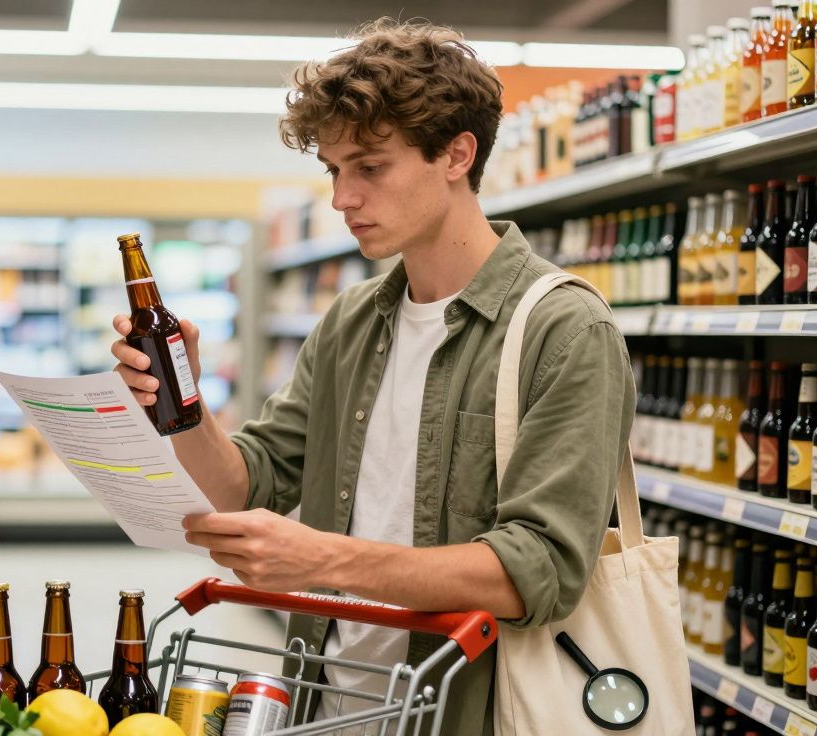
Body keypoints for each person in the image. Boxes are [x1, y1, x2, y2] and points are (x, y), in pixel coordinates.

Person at [110, 18, 634, 736]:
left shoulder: (565, 331)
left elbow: (538, 570)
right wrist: (183, 401)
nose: (342, 199)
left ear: (456, 155)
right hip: (329, 705)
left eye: (370, 167)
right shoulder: (353, 320)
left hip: (462, 711)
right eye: (333, 171)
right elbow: (247, 481)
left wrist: (322, 558)